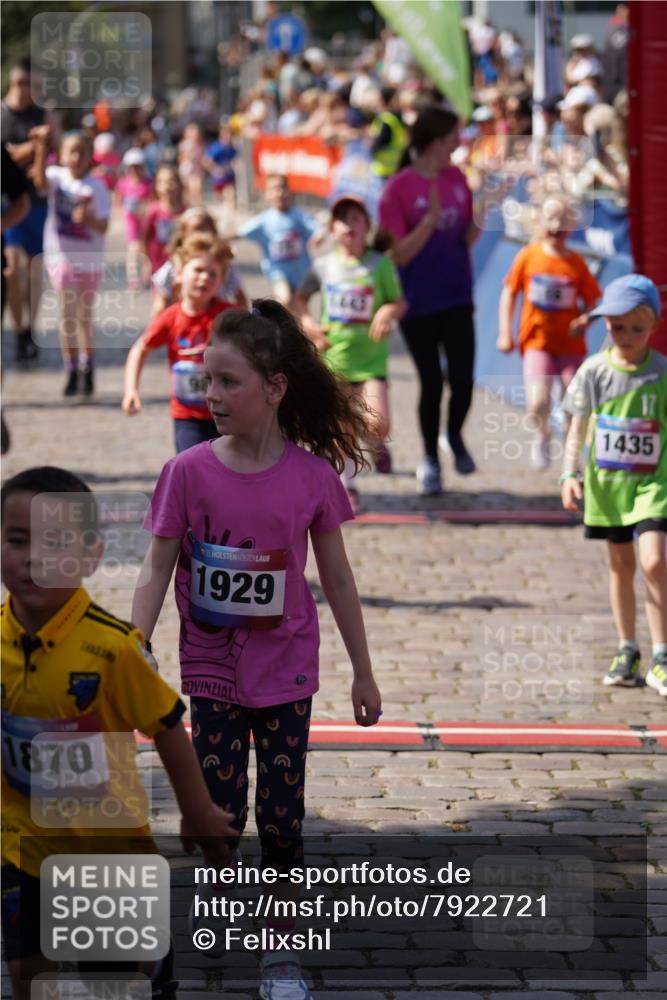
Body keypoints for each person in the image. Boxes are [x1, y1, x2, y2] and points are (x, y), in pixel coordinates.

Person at [131, 300, 382, 999]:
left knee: (280, 816)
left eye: (227, 382)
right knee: (219, 811)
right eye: (205, 381)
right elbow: (157, 566)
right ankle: (218, 906)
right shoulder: (186, 472)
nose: (210, 395)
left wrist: (363, 672)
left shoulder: (312, 477)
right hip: (211, 674)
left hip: (288, 674)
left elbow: (337, 578)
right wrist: (133, 644)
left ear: (274, 388)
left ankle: (280, 950)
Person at [0, 466, 236, 1000]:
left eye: (53, 544)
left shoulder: (113, 648)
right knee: (27, 975)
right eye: (17, 541)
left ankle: (149, 969)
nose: (33, 558)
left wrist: (198, 811)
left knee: (114, 981)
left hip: (107, 854)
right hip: (20, 850)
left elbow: (168, 726)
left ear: (91, 557)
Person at [560, 275, 667, 697]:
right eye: (617, 327)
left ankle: (662, 654)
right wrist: (569, 474)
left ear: (654, 325)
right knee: (621, 566)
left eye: (636, 329)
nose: (626, 337)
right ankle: (627, 648)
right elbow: (576, 426)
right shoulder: (594, 370)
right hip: (609, 488)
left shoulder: (661, 372)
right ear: (605, 324)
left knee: (653, 562)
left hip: (653, 485)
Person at [379, 106, 479, 494]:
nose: (460, 142)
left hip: (457, 294)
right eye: (455, 135)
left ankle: (453, 434)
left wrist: (485, 209)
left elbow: (465, 238)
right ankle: (430, 459)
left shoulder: (457, 178)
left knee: (464, 379)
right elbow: (398, 255)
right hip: (417, 301)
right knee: (432, 382)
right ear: (436, 140)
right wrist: (429, 221)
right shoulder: (397, 189)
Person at [295, 194, 406, 510]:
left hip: (371, 362)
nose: (348, 225)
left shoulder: (379, 264)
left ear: (367, 227)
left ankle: (374, 442)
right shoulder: (323, 265)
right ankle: (348, 484)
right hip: (335, 360)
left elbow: (399, 302)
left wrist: (387, 311)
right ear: (332, 229)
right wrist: (309, 325)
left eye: (355, 218)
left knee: (378, 424)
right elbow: (300, 299)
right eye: (342, 219)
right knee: (339, 427)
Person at [497, 197, 601, 469]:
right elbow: (509, 293)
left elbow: (594, 301)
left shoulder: (577, 263)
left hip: (570, 347)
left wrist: (585, 321)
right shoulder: (528, 256)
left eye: (563, 219)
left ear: (572, 225)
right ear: (539, 221)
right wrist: (505, 332)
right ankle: (542, 433)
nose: (557, 225)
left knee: (573, 404)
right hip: (537, 343)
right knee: (537, 402)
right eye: (551, 218)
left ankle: (571, 460)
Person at [122, 232, 235, 452]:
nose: (205, 278)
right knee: (190, 467)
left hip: (228, 413)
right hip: (187, 416)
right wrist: (131, 390)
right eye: (198, 270)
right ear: (180, 273)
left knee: (228, 469)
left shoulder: (230, 316)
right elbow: (139, 349)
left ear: (221, 281)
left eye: (213, 274)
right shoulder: (170, 317)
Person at [31, 127, 111, 397]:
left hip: (89, 260)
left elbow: (104, 227)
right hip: (60, 257)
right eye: (71, 151)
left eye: (82, 152)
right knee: (67, 316)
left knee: (84, 316)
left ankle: (88, 366)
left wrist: (88, 220)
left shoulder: (97, 186)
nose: (76, 157)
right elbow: (39, 183)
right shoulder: (56, 177)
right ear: (62, 155)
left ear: (90, 156)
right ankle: (71, 368)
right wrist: (41, 148)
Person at [1, 60, 49, 362]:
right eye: (24, 83)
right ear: (14, 81)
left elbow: (54, 156)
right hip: (9, 204)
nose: (28, 90)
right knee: (13, 269)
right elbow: (6, 158)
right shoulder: (2, 114)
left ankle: (30, 328)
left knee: (34, 273)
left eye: (34, 85)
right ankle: (19, 332)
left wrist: (38, 148)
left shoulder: (43, 115)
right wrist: (31, 148)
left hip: (38, 204)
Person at [234, 174, 323, 308]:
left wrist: (318, 238)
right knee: (284, 299)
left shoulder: (299, 216)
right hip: (277, 272)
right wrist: (217, 240)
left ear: (290, 191)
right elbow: (240, 233)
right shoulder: (264, 220)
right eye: (274, 189)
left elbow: (318, 229)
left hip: (301, 272)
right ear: (266, 195)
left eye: (283, 188)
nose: (279, 193)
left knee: (299, 307)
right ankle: (279, 318)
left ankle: (293, 320)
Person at [150, 207, 247, 318]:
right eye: (196, 230)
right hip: (184, 322)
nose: (200, 236)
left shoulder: (223, 265)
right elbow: (161, 303)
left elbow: (240, 298)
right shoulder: (174, 266)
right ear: (183, 234)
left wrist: (243, 323)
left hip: (216, 320)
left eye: (205, 231)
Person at [116, 147, 153, 289]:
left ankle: (147, 277)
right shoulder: (123, 183)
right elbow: (118, 198)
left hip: (145, 221)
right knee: (133, 248)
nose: (134, 170)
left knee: (145, 249)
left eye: (138, 167)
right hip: (131, 221)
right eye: (131, 167)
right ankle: (133, 279)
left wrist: (146, 208)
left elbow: (153, 200)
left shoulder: (148, 183)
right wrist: (120, 212)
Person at [143, 164, 185, 275]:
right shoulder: (153, 211)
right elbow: (143, 238)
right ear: (156, 186)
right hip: (158, 267)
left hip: (181, 267)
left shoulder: (186, 212)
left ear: (179, 184)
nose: (166, 186)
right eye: (161, 182)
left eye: (171, 181)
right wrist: (146, 263)